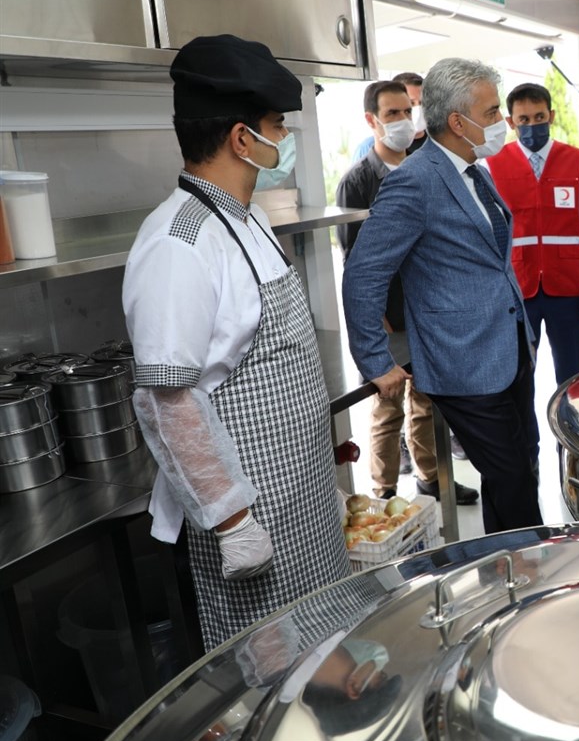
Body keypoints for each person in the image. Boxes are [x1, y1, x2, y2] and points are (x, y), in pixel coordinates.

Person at [123, 34, 349, 651]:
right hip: (254, 519)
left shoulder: (244, 217)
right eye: (279, 125)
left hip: (299, 497)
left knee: (318, 657)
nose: (286, 137)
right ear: (242, 138)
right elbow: (168, 402)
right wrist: (233, 521)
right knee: (268, 680)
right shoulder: (180, 242)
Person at [343, 57, 543, 534]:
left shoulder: (474, 170)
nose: (503, 122)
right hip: (463, 359)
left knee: (520, 468)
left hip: (508, 346)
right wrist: (374, 359)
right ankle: (535, 579)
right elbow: (363, 274)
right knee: (513, 479)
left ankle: (506, 569)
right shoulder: (415, 181)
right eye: (493, 112)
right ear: (458, 122)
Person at [335, 82, 479, 505]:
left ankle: (431, 478)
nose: (404, 120)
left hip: (428, 310)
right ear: (372, 120)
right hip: (389, 315)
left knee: (428, 402)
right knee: (387, 405)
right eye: (392, 113)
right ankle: (383, 493)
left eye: (408, 109)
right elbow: (355, 259)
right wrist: (374, 317)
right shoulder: (358, 182)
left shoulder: (424, 167)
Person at [485, 83, 579, 387]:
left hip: (569, 286)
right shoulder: (492, 165)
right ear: (510, 122)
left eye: (539, 117)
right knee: (520, 372)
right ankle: (526, 436)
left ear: (551, 116)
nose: (532, 125)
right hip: (518, 287)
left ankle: (568, 434)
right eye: (523, 120)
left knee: (573, 370)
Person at [352, 72, 426, 161]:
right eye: (411, 103)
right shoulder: (368, 148)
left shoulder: (438, 143)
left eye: (422, 103)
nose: (418, 109)